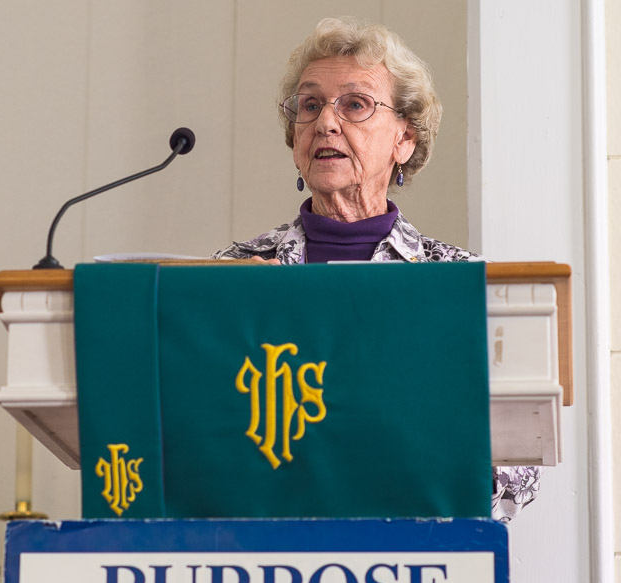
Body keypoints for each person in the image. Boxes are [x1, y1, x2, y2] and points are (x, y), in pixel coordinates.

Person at [212, 17, 539, 522]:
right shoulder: (233, 276)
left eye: (355, 104)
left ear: (404, 138)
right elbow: (195, 435)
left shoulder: (459, 280)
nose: (325, 122)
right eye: (310, 104)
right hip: (263, 550)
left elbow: (517, 468)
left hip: (414, 551)